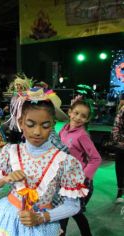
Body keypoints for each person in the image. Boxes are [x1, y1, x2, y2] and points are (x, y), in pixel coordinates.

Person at [0, 88, 88, 235]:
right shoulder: (10, 152)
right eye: (30, 124)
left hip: (42, 225)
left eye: (45, 125)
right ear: (21, 123)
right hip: (7, 219)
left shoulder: (65, 161)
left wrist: (42, 217)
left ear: (53, 124)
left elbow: (73, 206)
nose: (37, 132)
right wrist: (5, 179)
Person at [59, 98, 102, 236]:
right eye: (76, 113)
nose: (78, 118)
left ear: (87, 119)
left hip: (79, 184)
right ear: (70, 112)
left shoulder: (82, 135)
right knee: (74, 212)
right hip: (65, 180)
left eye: (83, 116)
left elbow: (96, 159)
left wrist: (82, 178)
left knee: (65, 214)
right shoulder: (64, 129)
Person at [111, 93, 124, 203]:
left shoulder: (121, 110)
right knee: (120, 167)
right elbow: (116, 127)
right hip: (121, 144)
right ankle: (120, 191)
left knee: (120, 168)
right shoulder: (122, 110)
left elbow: (116, 127)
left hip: (121, 144)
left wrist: (117, 140)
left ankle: (120, 191)